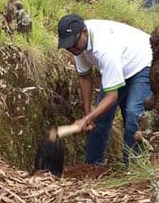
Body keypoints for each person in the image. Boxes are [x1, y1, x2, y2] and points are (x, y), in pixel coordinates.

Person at [58, 13, 152, 165]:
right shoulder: (77, 46)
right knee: (99, 119)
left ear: (84, 32)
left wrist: (86, 120)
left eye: (73, 44)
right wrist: (88, 114)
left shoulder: (105, 49)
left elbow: (112, 97)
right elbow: (84, 77)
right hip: (120, 65)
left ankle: (134, 168)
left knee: (133, 114)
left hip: (142, 62)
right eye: (68, 46)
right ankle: (92, 168)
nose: (72, 49)